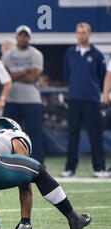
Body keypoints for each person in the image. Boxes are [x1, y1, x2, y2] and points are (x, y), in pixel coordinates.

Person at [60, 23, 108, 178]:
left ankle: (99, 168)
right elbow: (67, 74)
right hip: (74, 99)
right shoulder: (69, 53)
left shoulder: (97, 55)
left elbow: (102, 78)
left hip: (92, 100)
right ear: (76, 34)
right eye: (79, 32)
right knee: (73, 134)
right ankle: (70, 168)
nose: (81, 35)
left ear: (90, 34)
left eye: (84, 32)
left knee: (95, 134)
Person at [1, 25, 45, 163]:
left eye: (25, 35)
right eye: (21, 35)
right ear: (16, 37)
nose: (23, 38)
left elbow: (33, 77)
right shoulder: (7, 55)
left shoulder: (36, 54)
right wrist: (25, 72)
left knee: (34, 134)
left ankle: (38, 164)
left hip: (32, 100)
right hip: (12, 99)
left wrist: (14, 75)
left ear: (29, 37)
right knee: (10, 135)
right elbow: (5, 76)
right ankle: (12, 162)